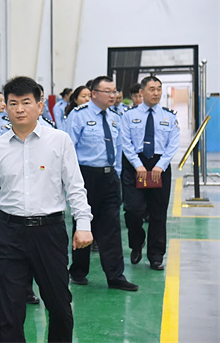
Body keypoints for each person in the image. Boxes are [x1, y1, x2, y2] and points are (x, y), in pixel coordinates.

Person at [0, 76, 93, 343]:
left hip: (49, 233)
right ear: (5, 107)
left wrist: (83, 224)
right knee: (10, 311)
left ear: (40, 106)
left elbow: (75, 187)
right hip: (8, 233)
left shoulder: (59, 141)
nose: (20, 109)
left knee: (59, 306)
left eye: (26, 102)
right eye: (13, 103)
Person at [65, 75, 138, 291]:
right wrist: (72, 181)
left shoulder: (115, 117)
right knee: (82, 222)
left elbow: (118, 149)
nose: (113, 95)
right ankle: (78, 271)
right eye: (108, 91)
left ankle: (115, 276)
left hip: (109, 177)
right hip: (86, 176)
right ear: (94, 94)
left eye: (114, 91)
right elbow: (68, 150)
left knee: (111, 227)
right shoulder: (78, 116)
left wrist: (116, 174)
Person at [120, 76, 180, 270]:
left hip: (159, 166)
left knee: (158, 213)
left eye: (159, 89)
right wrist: (137, 165)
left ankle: (156, 256)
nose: (156, 93)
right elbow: (125, 142)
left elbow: (173, 144)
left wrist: (160, 165)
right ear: (142, 92)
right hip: (134, 164)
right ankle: (137, 243)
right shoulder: (129, 116)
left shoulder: (169, 116)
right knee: (133, 210)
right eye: (152, 89)